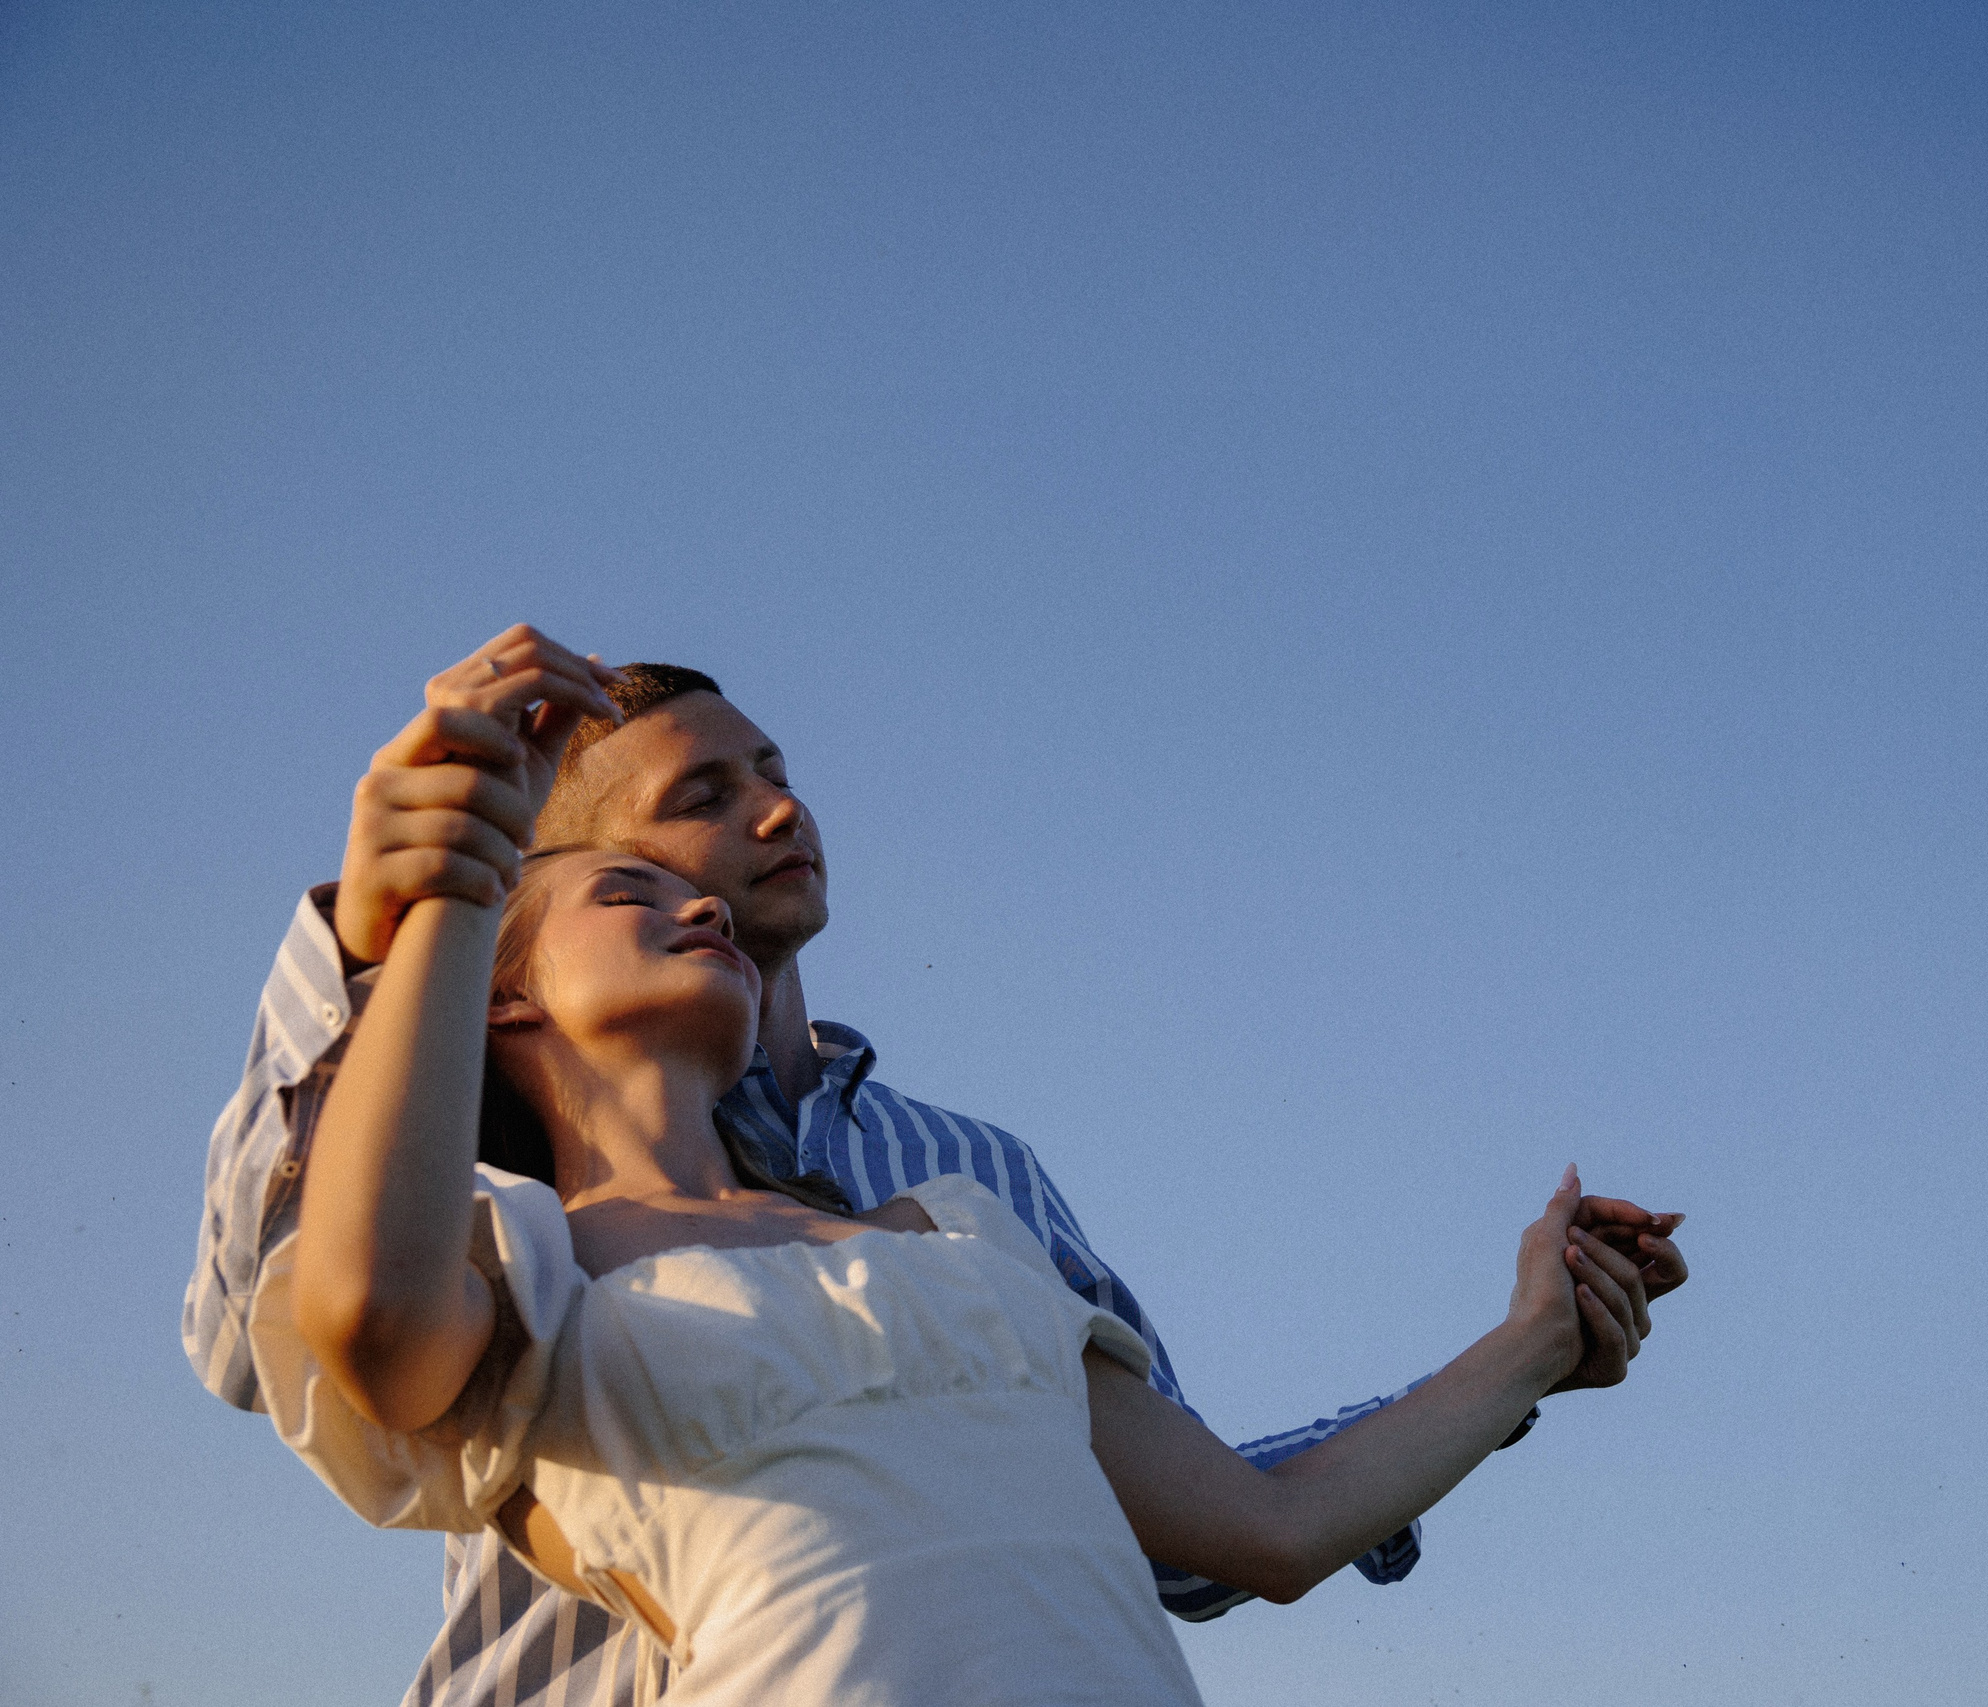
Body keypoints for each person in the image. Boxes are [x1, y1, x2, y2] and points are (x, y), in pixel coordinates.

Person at [186, 626, 1691, 1705]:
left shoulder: (969, 1190)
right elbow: (276, 1331)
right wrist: (404, 914)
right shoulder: (506, 1223)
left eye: (775, 770)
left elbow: (1219, 1529)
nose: (777, 811)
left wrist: (1522, 1355)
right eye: (690, 809)